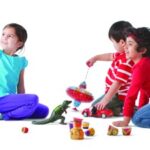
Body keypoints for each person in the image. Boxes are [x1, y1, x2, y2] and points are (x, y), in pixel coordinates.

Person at [0, 23, 49, 120]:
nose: (4, 38)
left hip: (10, 99)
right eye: (3, 34)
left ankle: (9, 112)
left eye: (10, 36)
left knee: (44, 110)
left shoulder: (21, 62)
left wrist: (22, 102)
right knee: (33, 99)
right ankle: (6, 116)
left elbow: (20, 86)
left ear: (19, 43)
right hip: (1, 98)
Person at [86, 21, 134, 116]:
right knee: (94, 106)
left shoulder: (126, 62)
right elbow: (109, 56)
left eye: (113, 43)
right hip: (112, 93)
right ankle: (119, 108)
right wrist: (95, 58)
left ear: (122, 43)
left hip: (119, 96)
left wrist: (105, 100)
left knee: (95, 109)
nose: (113, 45)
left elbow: (118, 83)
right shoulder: (120, 54)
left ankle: (125, 107)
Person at [112, 27, 150, 127]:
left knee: (137, 119)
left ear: (142, 50)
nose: (125, 47)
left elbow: (131, 96)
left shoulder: (140, 68)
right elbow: (144, 91)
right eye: (126, 43)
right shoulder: (145, 63)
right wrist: (142, 107)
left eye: (130, 44)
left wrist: (125, 121)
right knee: (137, 113)